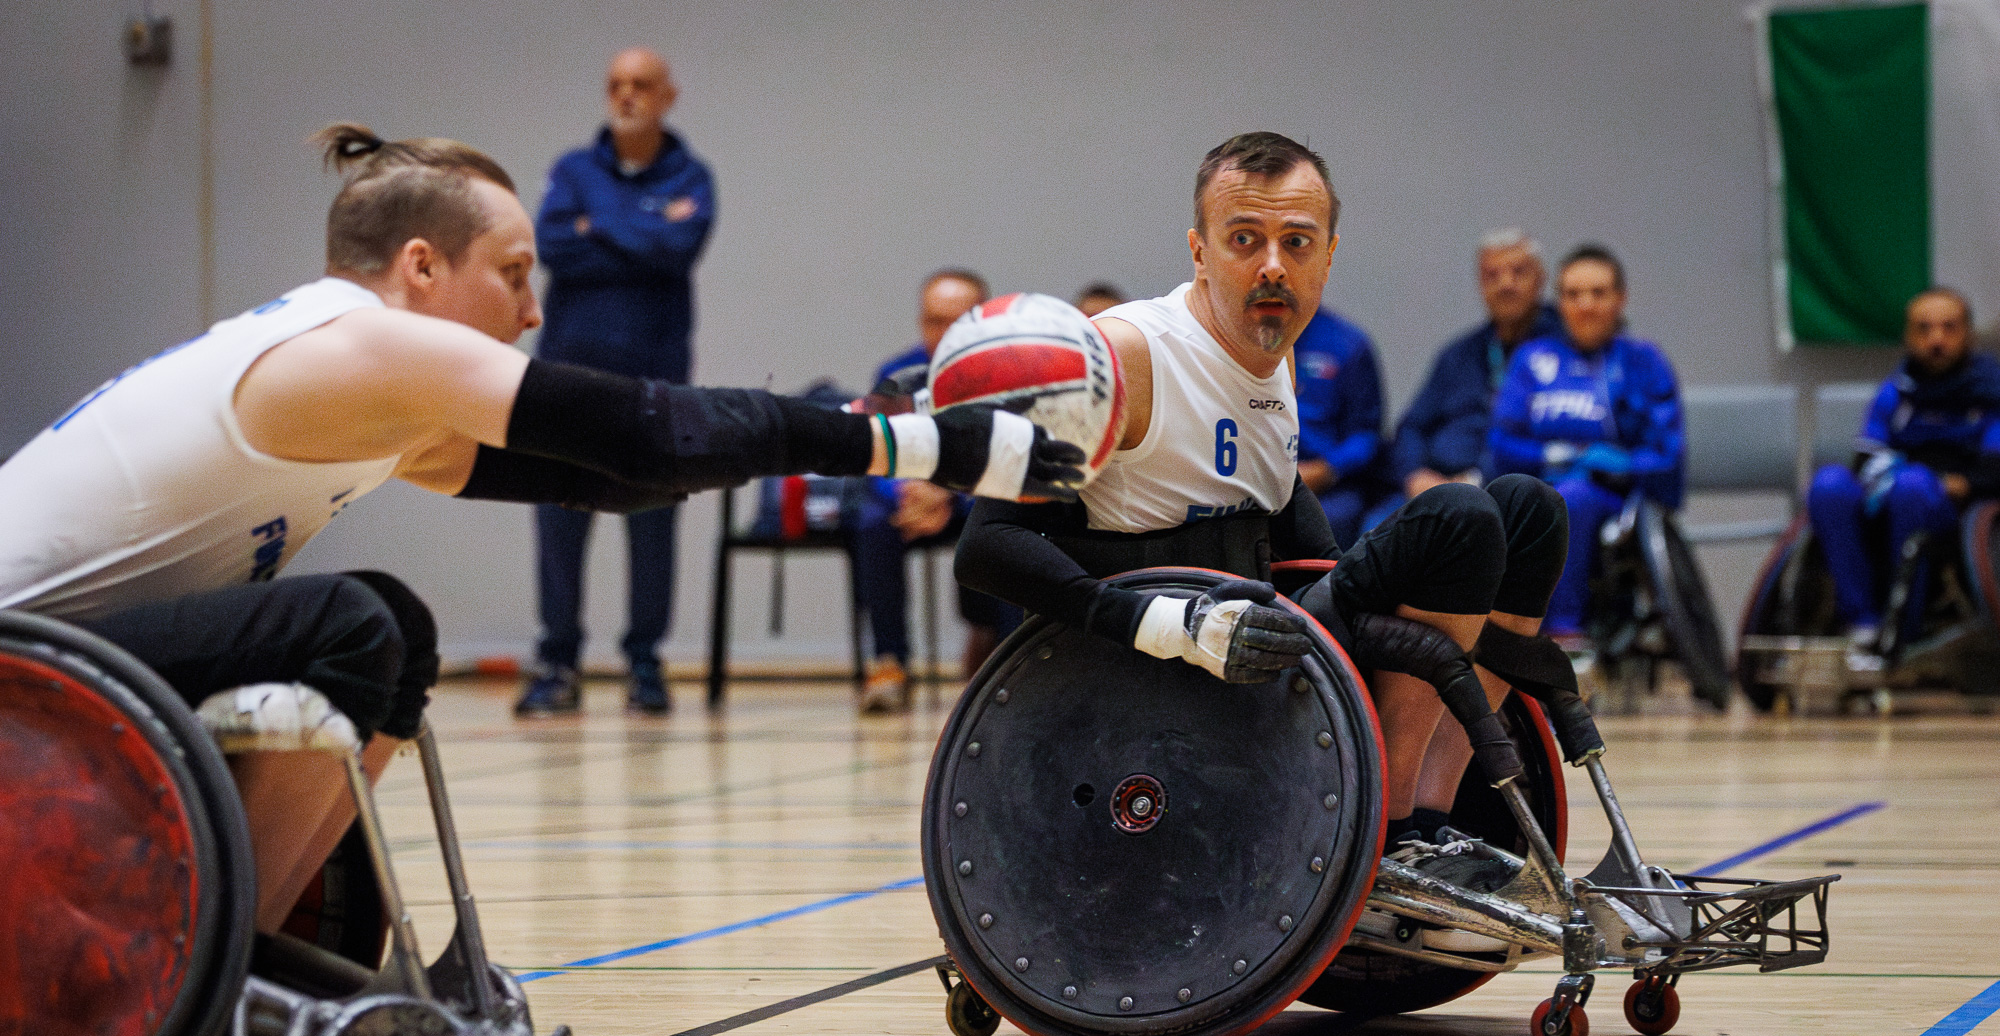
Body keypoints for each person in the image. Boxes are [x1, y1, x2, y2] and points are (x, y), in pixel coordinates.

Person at [0, 124, 1081, 939]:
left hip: (66, 660)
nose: (530, 312)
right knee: (351, 620)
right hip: (22, 662)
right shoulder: (358, 345)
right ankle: (214, 963)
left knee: (391, 631)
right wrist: (934, 448)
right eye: (513, 274)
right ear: (420, 267)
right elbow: (646, 429)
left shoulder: (364, 385)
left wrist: (824, 435)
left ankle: (253, 948)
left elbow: (609, 476)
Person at [957, 132, 1579, 897]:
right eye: (1245, 240)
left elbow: (1283, 511)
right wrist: (1142, 619)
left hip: (1263, 638)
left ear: (1327, 255)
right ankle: (1385, 829)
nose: (1273, 264)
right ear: (1199, 251)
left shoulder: (1271, 348)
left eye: (1296, 242)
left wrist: (1366, 589)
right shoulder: (1120, 359)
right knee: (1457, 518)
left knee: (1529, 509)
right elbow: (986, 547)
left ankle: (1430, 817)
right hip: (1154, 679)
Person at [517, 48, 715, 717]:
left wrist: (598, 224)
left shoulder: (692, 175)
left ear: (668, 96)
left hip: (654, 387)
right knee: (559, 520)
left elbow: (678, 251)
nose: (626, 95)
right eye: (615, 85)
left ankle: (644, 663)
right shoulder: (572, 170)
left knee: (653, 520)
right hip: (567, 378)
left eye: (640, 85)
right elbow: (552, 246)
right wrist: (643, 230)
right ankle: (557, 659)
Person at [1489, 244, 1684, 641]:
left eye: (1598, 293)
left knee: (1573, 498)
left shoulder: (1644, 363)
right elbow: (1501, 443)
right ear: (1559, 301)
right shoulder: (1532, 360)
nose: (1586, 305)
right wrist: (1554, 456)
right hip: (1536, 493)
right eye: (1573, 294)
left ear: (1620, 299)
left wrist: (1617, 464)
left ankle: (1564, 634)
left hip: (1614, 502)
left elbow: (1667, 458)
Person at [850, 269, 1026, 711]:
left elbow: (1014, 458)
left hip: (978, 500)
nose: (944, 333)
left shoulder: (1014, 373)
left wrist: (950, 494)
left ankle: (1013, 664)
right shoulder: (896, 374)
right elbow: (879, 451)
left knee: (1009, 519)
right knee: (872, 523)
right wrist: (906, 497)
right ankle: (889, 664)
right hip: (914, 504)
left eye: (958, 320)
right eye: (934, 321)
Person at [1806, 287, 2000, 667]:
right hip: (1891, 490)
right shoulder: (1895, 392)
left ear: (1968, 336)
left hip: (1955, 505)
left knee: (1912, 488)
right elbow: (1866, 456)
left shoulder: (1991, 392)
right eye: (1924, 329)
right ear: (1909, 337)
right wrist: (1880, 479)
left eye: (1949, 328)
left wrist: (1963, 483)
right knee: (1829, 486)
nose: (1936, 339)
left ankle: (1904, 629)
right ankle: (1861, 623)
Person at [1378, 229, 1560, 526]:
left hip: (1510, 490)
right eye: (1492, 275)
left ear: (1541, 280)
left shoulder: (1564, 351)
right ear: (1479, 285)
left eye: (1518, 272)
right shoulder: (1459, 354)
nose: (1505, 284)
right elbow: (1411, 426)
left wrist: (1477, 480)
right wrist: (1414, 475)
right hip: (1435, 485)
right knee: (1375, 531)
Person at [1293, 306, 1387, 546]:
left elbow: (1366, 435)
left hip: (1327, 487)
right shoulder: (1238, 339)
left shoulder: (1348, 343)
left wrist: (1325, 469)